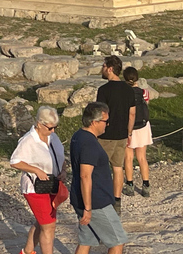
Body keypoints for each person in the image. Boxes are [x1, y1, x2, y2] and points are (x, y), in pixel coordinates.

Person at [70, 102, 128, 254]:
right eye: (105, 121)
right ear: (94, 122)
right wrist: (88, 208)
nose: (107, 125)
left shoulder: (78, 136)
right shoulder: (89, 143)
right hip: (96, 203)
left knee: (86, 241)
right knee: (117, 241)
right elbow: (85, 175)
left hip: (84, 199)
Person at [10, 106, 66, 254]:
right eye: (50, 128)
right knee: (49, 226)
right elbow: (15, 161)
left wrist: (63, 170)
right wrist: (36, 170)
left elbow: (61, 155)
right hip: (35, 187)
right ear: (40, 124)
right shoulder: (28, 140)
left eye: (55, 127)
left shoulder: (53, 137)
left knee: (43, 222)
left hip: (53, 184)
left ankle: (27, 251)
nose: (53, 131)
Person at [96, 55, 136, 214]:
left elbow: (100, 113)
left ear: (110, 68)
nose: (102, 69)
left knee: (100, 168)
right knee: (118, 167)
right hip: (122, 134)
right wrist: (129, 132)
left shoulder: (103, 90)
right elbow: (132, 113)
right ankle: (117, 200)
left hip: (106, 135)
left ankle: (101, 199)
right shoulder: (128, 89)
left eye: (104, 66)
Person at [122, 67, 152, 198]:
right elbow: (146, 104)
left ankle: (129, 185)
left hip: (129, 127)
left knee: (128, 157)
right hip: (143, 126)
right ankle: (146, 186)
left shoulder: (123, 93)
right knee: (142, 157)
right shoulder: (144, 92)